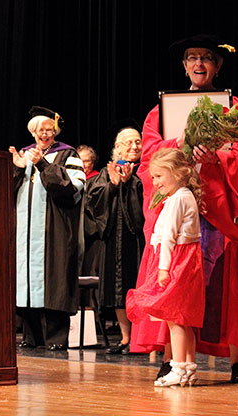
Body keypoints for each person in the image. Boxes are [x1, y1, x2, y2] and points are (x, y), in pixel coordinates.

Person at [129, 34, 238, 383]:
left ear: (217, 66)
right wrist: (181, 145)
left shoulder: (233, 108)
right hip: (180, 209)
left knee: (228, 286)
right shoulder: (162, 110)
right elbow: (149, 158)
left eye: (206, 57)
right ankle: (171, 358)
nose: (198, 64)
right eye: (192, 57)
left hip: (220, 211)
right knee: (175, 283)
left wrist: (218, 157)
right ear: (184, 65)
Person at [126, 148, 205, 387]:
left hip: (177, 260)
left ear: (179, 173)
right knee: (182, 317)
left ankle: (179, 367)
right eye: (154, 177)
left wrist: (163, 268)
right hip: (185, 259)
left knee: (175, 317)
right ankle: (188, 366)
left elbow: (169, 236)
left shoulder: (179, 198)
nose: (155, 182)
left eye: (159, 176)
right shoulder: (182, 195)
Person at [9, 106, 86, 350]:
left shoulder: (68, 154)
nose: (45, 134)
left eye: (49, 130)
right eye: (40, 130)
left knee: (55, 280)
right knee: (26, 280)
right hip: (25, 232)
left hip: (56, 230)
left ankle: (55, 338)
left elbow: (72, 190)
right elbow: (9, 193)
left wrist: (42, 164)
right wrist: (16, 169)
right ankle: (31, 336)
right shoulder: (25, 154)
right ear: (33, 132)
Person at [89, 120, 145, 354]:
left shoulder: (147, 169)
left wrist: (130, 181)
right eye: (128, 142)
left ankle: (145, 339)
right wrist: (113, 186)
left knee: (140, 286)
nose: (134, 146)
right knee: (118, 289)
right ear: (118, 148)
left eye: (137, 141)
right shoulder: (107, 171)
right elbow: (94, 200)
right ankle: (125, 338)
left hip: (139, 240)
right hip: (113, 238)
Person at [77, 145, 100, 277]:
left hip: (91, 232)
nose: (83, 165)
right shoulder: (71, 179)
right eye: (80, 160)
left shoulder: (98, 180)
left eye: (87, 161)